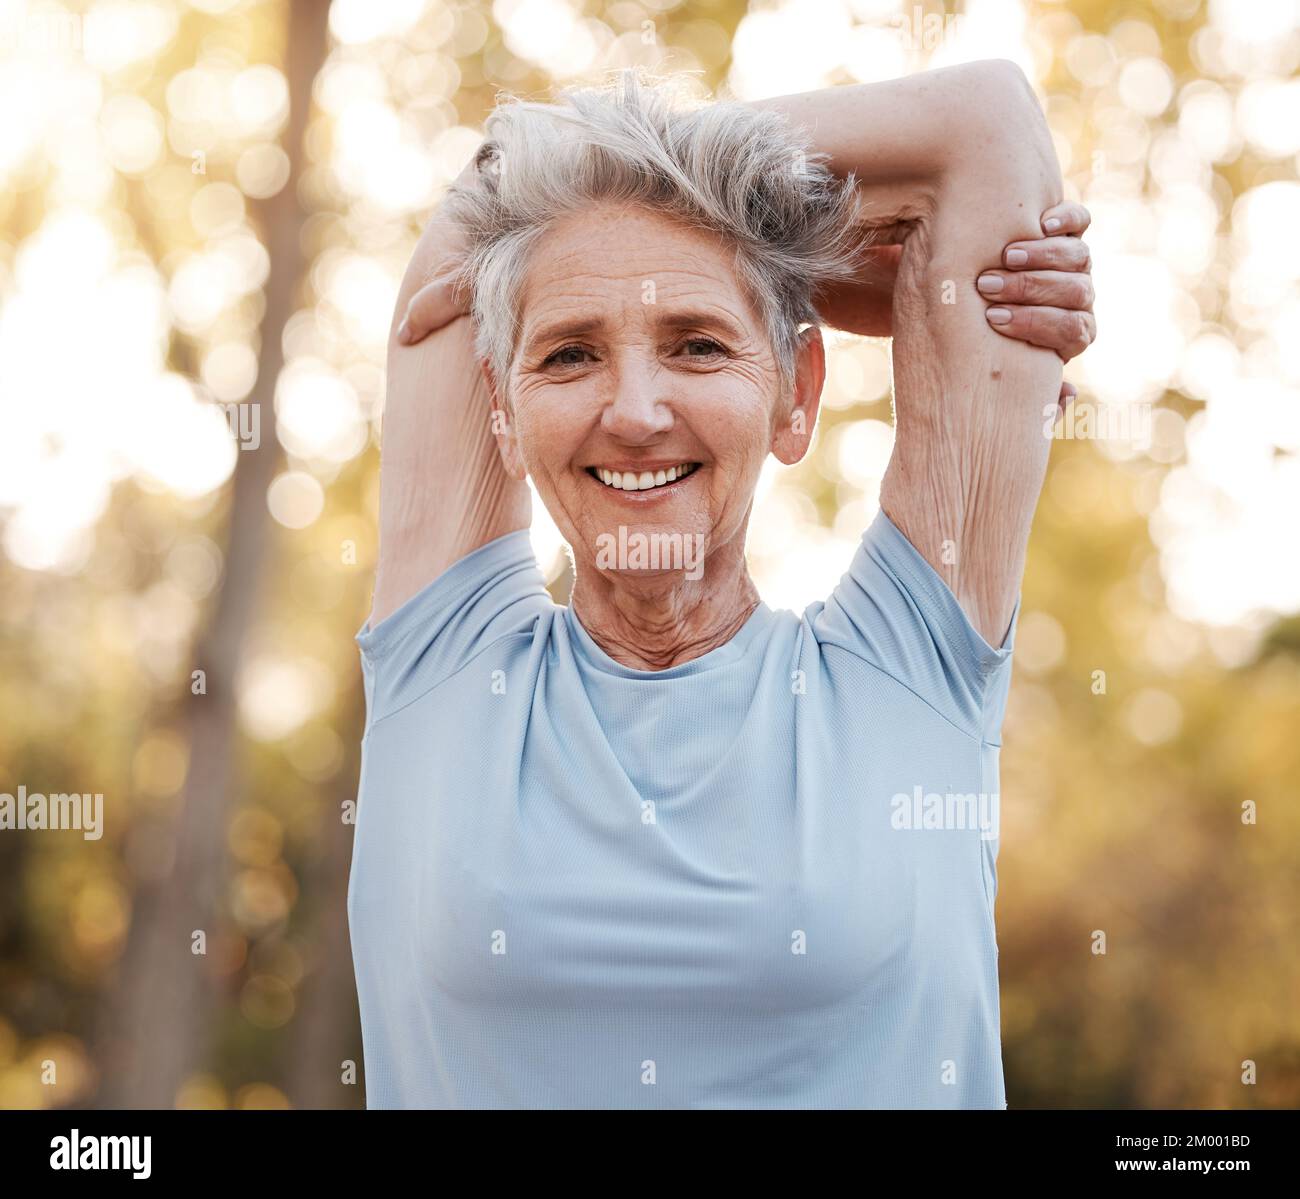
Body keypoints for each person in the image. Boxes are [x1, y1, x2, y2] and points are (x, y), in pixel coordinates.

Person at [347, 62, 1096, 1109]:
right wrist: (694, 207)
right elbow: (479, 199)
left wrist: (680, 193)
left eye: (699, 344)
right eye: (568, 356)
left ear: (796, 392)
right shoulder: (448, 660)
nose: (636, 409)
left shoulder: (911, 662)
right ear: (501, 409)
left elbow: (981, 123)